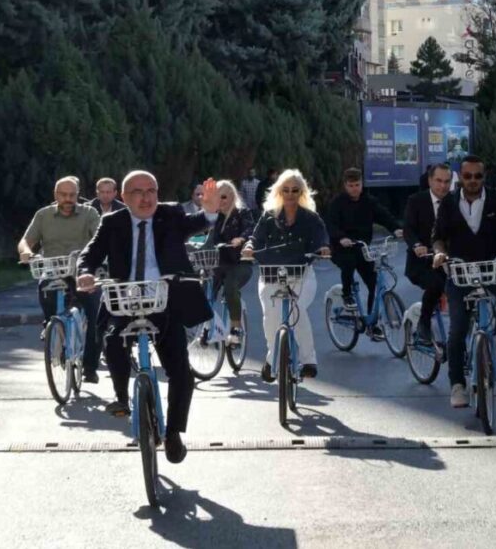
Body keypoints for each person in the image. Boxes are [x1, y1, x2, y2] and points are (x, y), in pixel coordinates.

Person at [76, 172, 218, 465]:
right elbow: (91, 252)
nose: (146, 197)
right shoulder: (112, 222)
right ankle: (122, 398)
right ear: (124, 198)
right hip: (124, 300)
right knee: (113, 342)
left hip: (164, 299)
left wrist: (211, 210)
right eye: (138, 192)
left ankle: (175, 433)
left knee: (180, 370)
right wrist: (85, 272)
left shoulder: (171, 214)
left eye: (151, 190)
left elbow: (198, 223)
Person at [431, 156, 496, 409]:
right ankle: (457, 385)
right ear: (460, 178)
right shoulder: (449, 203)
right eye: (468, 176)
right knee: (458, 330)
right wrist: (440, 253)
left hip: (491, 268)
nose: (473, 181)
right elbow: (438, 237)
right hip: (460, 272)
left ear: (484, 178)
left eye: (478, 176)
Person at [242, 169, 331, 382]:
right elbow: (255, 239)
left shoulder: (311, 218)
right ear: (279, 191)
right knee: (270, 318)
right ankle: (273, 358)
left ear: (302, 192)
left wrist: (323, 248)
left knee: (296, 309)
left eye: (295, 190)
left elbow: (321, 238)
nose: (290, 194)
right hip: (271, 274)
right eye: (286, 189)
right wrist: (248, 247)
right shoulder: (268, 216)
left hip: (302, 275)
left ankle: (308, 360)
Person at [18, 177, 104, 382]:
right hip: (52, 270)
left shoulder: (89, 213)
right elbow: (26, 241)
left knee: (96, 314)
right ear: (56, 195)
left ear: (78, 195)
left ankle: (90, 368)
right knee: (45, 290)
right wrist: (26, 252)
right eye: (63, 195)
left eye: (72, 195)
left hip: (82, 271)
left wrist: (101, 258)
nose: (68, 199)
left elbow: (100, 237)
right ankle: (51, 325)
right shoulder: (43, 215)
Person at [325, 168, 399, 324]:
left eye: (357, 185)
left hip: (363, 248)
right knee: (349, 263)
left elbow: (383, 215)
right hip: (340, 247)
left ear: (362, 184)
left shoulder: (368, 201)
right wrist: (341, 237)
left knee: (374, 283)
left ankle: (373, 323)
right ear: (345, 185)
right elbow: (331, 225)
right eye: (351, 185)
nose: (354, 189)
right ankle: (346, 295)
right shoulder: (337, 203)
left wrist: (396, 228)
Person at [402, 164, 453, 345]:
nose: (443, 186)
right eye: (438, 181)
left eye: (447, 181)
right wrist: (416, 245)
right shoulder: (416, 201)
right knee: (436, 284)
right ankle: (423, 325)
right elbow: (408, 228)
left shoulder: (456, 201)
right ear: (430, 180)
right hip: (422, 262)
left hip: (449, 261)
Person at [203, 180, 254, 346]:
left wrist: (242, 239)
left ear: (232, 197)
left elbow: (251, 229)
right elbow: (203, 236)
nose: (220, 201)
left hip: (240, 262)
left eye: (223, 197)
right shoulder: (212, 216)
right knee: (204, 290)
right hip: (218, 262)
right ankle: (206, 326)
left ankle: (236, 328)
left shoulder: (242, 213)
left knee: (231, 287)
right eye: (217, 197)